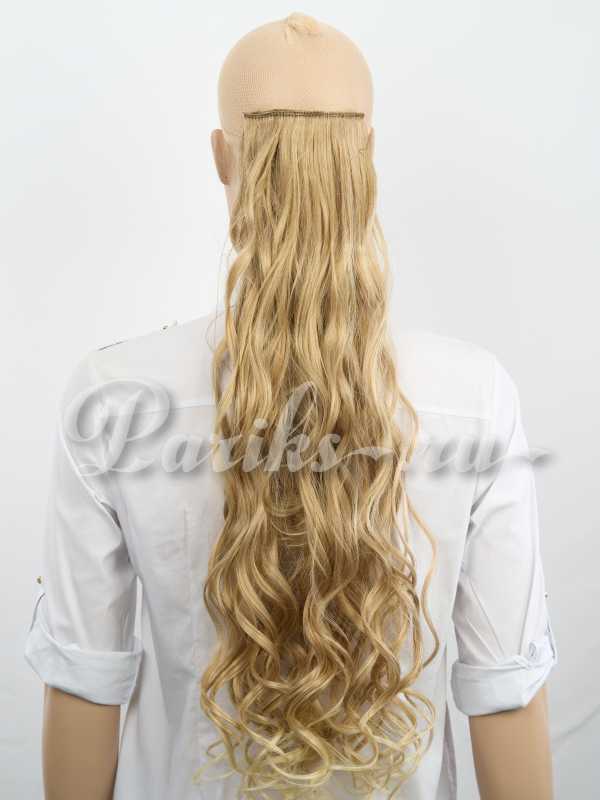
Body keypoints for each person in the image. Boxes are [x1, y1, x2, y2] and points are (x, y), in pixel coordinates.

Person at [25, 13, 557, 800]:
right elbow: (504, 692)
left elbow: (85, 684)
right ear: (368, 154)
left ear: (221, 157)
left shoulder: (114, 399)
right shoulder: (476, 399)